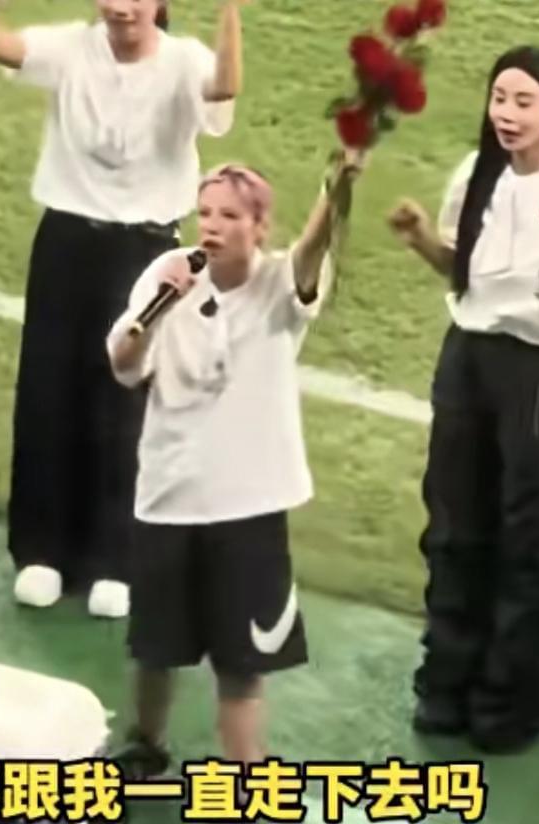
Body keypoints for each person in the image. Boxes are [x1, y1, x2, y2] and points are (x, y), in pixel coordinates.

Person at [0, 0, 244, 618]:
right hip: (66, 241)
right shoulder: (71, 48)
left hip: (145, 251)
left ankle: (117, 558)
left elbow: (224, 85)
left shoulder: (183, 62)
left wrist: (230, 10)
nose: (121, 8)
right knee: (49, 390)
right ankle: (43, 550)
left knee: (128, 402)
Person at [387, 45, 539, 753]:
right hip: (468, 362)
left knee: (538, 538)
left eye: (524, 101)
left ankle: (517, 702)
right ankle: (447, 685)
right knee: (455, 527)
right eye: (500, 98)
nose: (507, 113)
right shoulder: (475, 174)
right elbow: (464, 274)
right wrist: (422, 239)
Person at [101, 149, 361, 776]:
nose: (212, 227)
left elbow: (311, 253)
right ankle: (145, 743)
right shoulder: (168, 275)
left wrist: (335, 189)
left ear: (260, 227)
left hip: (248, 503)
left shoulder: (279, 287)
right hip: (170, 492)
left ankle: (247, 774)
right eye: (206, 213)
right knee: (156, 646)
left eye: (230, 216)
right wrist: (158, 309)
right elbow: (123, 364)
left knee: (243, 663)